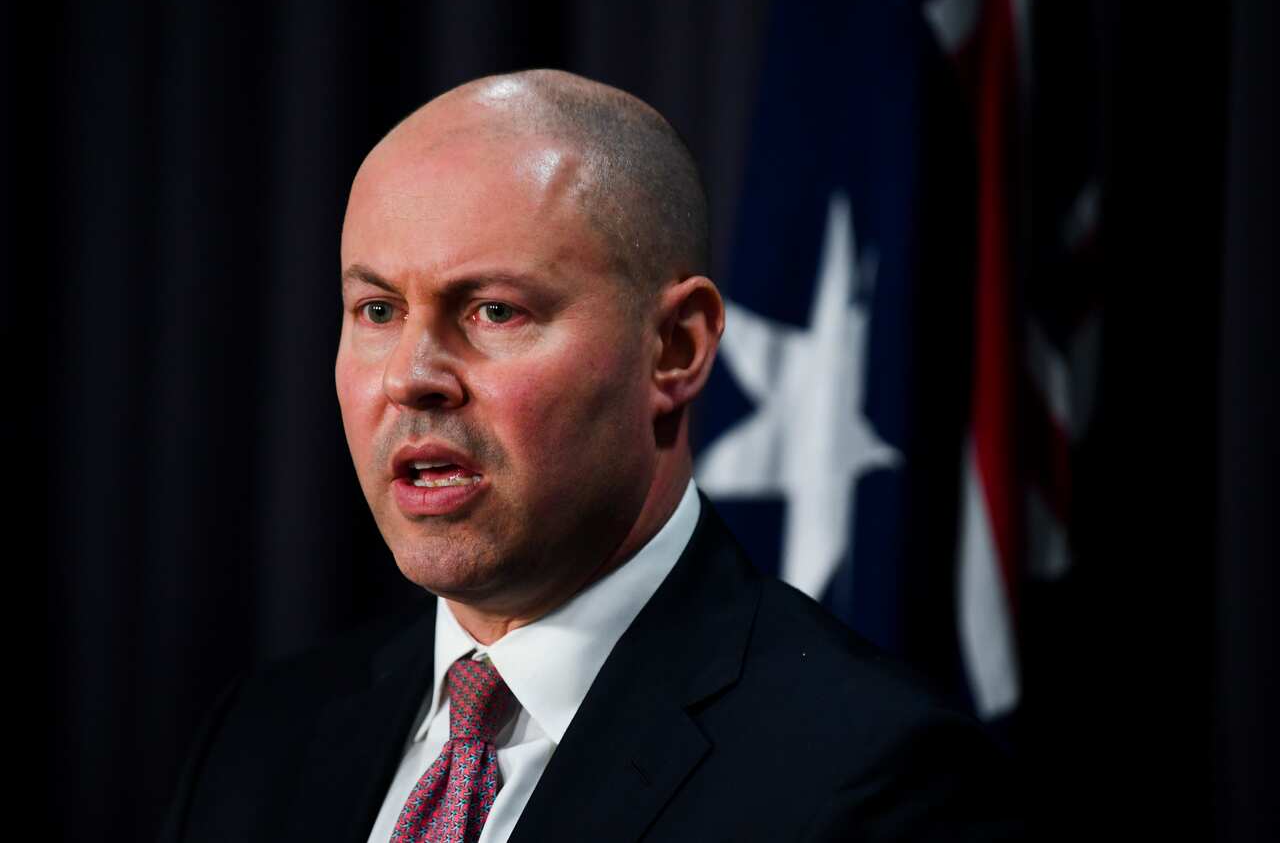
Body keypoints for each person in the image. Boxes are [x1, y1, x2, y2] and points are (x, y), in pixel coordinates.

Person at [160, 69, 1024, 842]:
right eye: (378, 311)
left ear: (675, 348)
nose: (411, 377)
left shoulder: (874, 779)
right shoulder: (260, 738)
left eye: (494, 311)